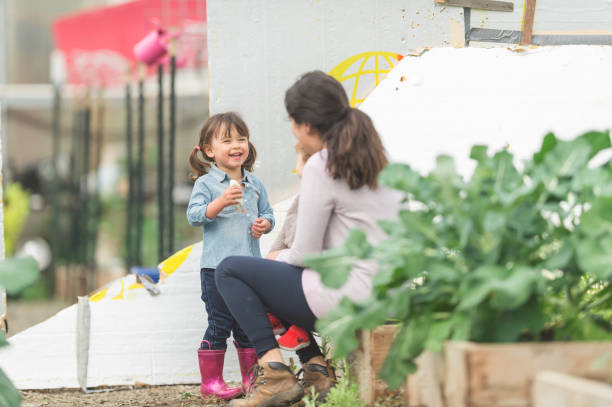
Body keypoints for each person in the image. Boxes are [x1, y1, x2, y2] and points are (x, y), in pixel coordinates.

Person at [215, 71, 401, 407]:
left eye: (291, 121)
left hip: (346, 300)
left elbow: (305, 255)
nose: (291, 128)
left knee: (231, 270)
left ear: (307, 127)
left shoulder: (323, 165)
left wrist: (273, 260)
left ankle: (274, 375)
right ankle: (316, 370)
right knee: (275, 276)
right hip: (387, 298)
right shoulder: (377, 159)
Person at [187, 112, 275, 400]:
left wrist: (265, 224)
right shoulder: (206, 184)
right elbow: (195, 216)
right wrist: (220, 202)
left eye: (242, 138)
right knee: (219, 325)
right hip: (216, 270)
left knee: (247, 326)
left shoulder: (255, 183)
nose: (237, 145)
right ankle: (211, 383)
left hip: (249, 270)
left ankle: (252, 382)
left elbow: (268, 213)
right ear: (210, 150)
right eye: (227, 140)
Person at [266, 143, 311, 352]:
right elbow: (284, 234)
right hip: (296, 261)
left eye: (301, 160)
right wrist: (271, 259)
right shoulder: (303, 196)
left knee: (231, 271)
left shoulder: (317, 198)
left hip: (312, 274)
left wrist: (277, 257)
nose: (297, 167)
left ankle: (299, 326)